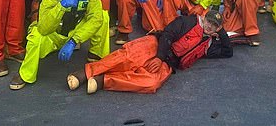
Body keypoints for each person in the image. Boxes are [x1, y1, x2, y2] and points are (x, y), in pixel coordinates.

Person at [66, 10, 232, 95]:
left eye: (214, 26)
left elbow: (228, 51)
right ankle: (85, 73)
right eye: (209, 22)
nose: (210, 27)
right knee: (128, 58)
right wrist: (159, 57)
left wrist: (222, 31)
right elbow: (168, 34)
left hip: (168, 64)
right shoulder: (187, 21)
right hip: (156, 45)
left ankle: (104, 81)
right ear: (204, 18)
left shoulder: (208, 45)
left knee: (151, 83)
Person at [9, 0, 110, 90]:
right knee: (35, 36)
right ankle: (25, 75)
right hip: (53, 34)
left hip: (71, 35)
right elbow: (44, 27)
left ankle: (96, 56)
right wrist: (62, 6)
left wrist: (74, 41)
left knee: (103, 16)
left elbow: (96, 20)